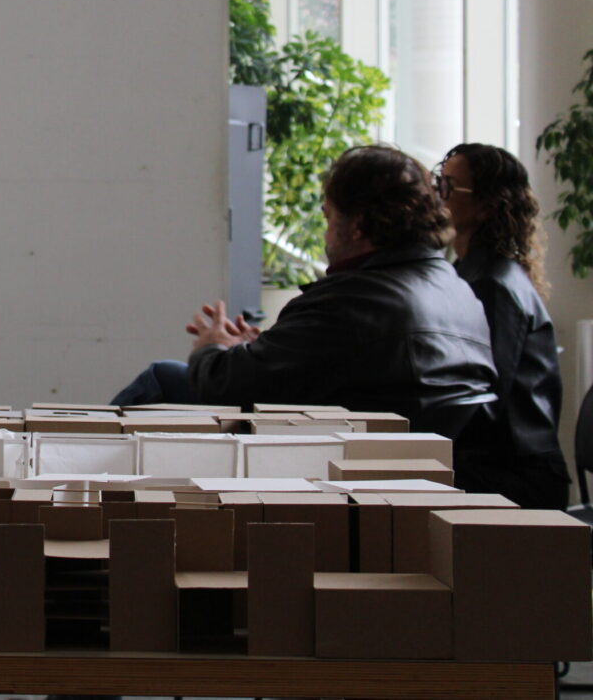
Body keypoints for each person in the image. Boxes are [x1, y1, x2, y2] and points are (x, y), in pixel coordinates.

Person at [113, 145, 497, 438]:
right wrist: (261, 349)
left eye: (330, 218)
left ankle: (65, 496)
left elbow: (225, 387)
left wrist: (213, 348)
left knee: (163, 379)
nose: (327, 235)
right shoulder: (457, 291)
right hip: (409, 464)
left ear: (358, 225)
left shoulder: (354, 299)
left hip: (329, 462)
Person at [435, 143, 569, 508]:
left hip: (516, 476)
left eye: (448, 186)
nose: (437, 195)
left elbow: (486, 397)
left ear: (488, 205)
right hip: (493, 463)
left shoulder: (493, 284)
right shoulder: (472, 273)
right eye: (438, 182)